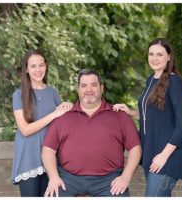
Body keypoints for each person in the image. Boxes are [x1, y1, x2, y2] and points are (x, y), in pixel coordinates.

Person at [41, 69, 141, 197]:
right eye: (84, 86)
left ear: (101, 88)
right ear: (78, 89)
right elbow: (48, 149)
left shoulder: (120, 116)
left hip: (108, 181)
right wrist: (54, 177)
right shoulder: (63, 117)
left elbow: (135, 148)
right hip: (69, 180)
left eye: (93, 85)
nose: (89, 89)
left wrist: (125, 177)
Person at [113, 38, 182, 197]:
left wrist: (163, 156)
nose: (154, 58)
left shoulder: (174, 82)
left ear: (169, 57)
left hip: (167, 157)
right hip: (150, 153)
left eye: (160, 54)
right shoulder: (150, 80)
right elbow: (153, 115)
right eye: (151, 54)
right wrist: (132, 112)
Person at [11, 50, 72, 197]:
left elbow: (62, 121)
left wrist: (68, 106)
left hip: (51, 157)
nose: (38, 70)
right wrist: (53, 114)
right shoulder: (18, 95)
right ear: (26, 69)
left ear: (46, 67)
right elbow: (25, 130)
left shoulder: (52, 92)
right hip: (29, 157)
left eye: (41, 65)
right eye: (33, 66)